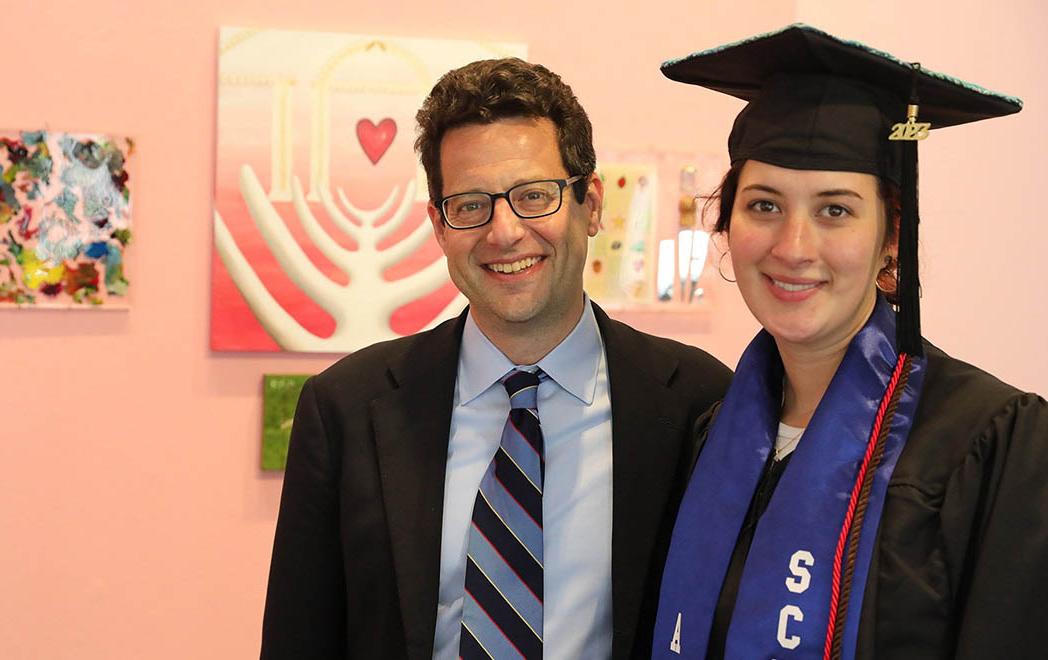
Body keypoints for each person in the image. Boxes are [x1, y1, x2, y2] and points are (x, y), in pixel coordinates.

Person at [260, 57, 731, 660]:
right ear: (439, 224)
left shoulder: (698, 402)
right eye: (470, 204)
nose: (504, 232)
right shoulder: (346, 409)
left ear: (591, 204)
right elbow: (300, 638)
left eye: (534, 196)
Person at [643, 24, 1048, 660]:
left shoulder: (996, 445)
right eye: (763, 206)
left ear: (891, 239)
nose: (792, 246)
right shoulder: (710, 435)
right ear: (727, 225)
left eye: (835, 210)